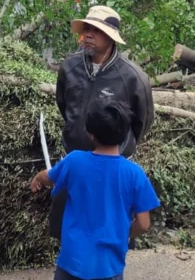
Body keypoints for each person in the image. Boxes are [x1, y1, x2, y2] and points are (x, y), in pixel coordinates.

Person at [30, 99, 160, 280]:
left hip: (73, 260)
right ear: (125, 133)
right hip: (109, 265)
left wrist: (38, 178)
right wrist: (126, 234)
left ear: (90, 133)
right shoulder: (134, 174)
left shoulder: (75, 161)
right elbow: (144, 224)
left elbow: (49, 176)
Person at [55, 5, 154, 158]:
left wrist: (122, 148)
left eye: (96, 30)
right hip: (73, 157)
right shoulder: (69, 68)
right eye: (87, 29)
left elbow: (142, 123)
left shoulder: (133, 78)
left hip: (112, 162)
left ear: (110, 37)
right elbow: (63, 105)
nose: (88, 35)